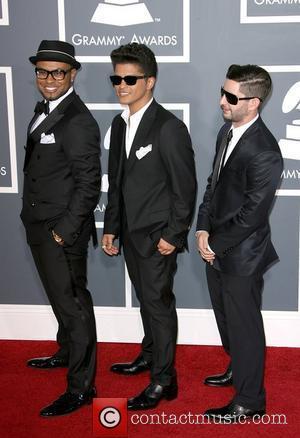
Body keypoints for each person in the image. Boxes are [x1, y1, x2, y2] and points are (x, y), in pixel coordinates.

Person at [102, 43, 197, 410]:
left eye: (129, 78)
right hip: (129, 234)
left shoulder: (169, 127)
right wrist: (111, 227)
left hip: (158, 238)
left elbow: (184, 187)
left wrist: (173, 236)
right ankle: (149, 354)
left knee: (157, 305)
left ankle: (163, 381)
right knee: (147, 301)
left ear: (150, 81)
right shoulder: (118, 122)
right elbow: (117, 180)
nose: (121, 85)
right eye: (116, 78)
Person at [196, 64, 283, 422]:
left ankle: (250, 400)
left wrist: (215, 244)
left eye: (231, 97)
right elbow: (213, 185)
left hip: (242, 256)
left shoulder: (265, 151)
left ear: (254, 103)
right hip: (215, 247)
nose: (221, 101)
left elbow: (253, 215)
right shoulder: (226, 133)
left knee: (244, 327)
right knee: (227, 321)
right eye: (223, 92)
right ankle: (239, 369)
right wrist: (201, 228)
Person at [21, 40, 101, 417]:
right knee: (60, 299)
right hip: (38, 222)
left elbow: (89, 183)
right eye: (42, 71)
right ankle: (66, 351)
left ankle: (81, 388)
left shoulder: (79, 120)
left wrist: (63, 232)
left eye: (58, 73)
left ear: (73, 75)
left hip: (60, 230)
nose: (49, 79)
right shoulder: (45, 110)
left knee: (73, 306)